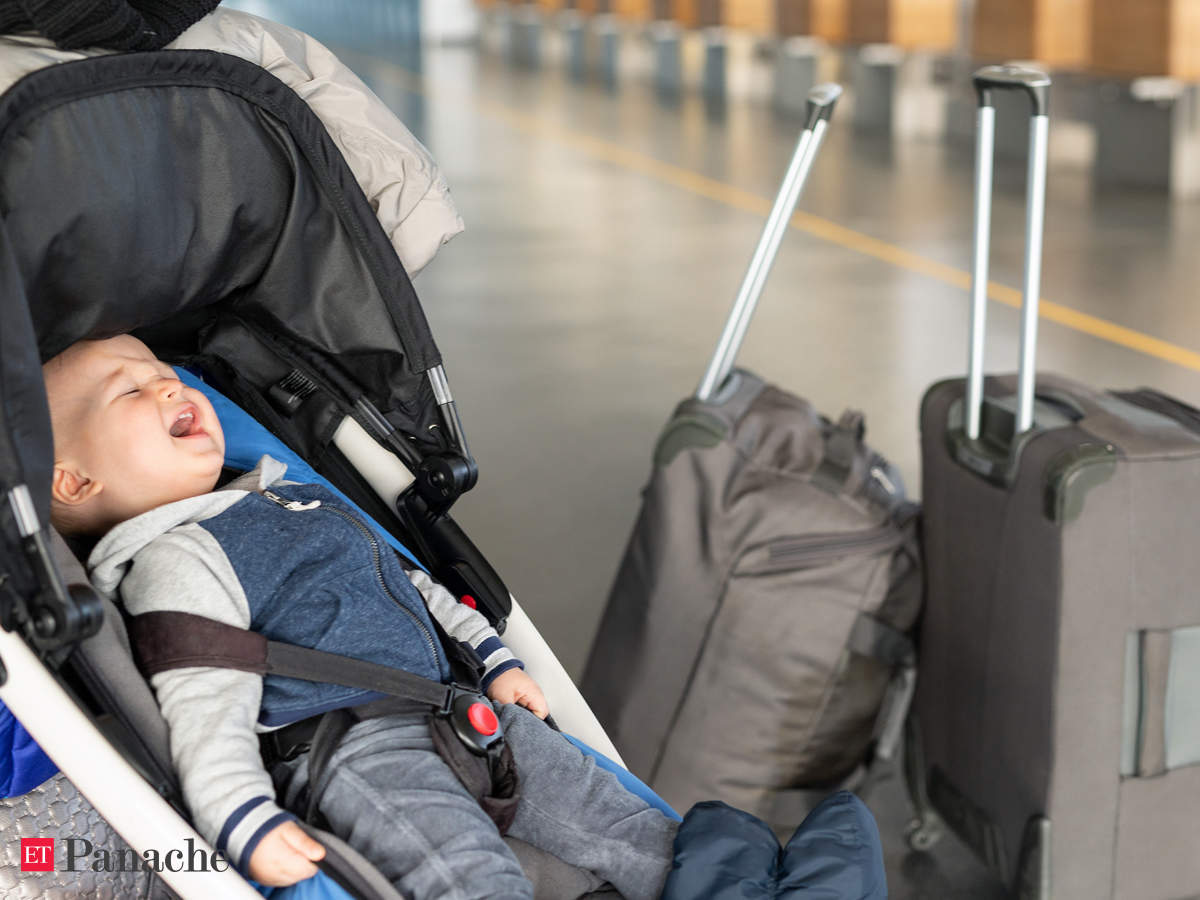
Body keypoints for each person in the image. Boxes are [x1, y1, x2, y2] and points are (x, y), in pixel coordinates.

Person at [43, 334, 678, 899]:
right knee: (466, 877)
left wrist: (491, 654)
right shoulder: (176, 557)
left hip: (464, 712)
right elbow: (207, 703)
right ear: (73, 483)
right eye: (128, 389)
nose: (164, 383)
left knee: (638, 836)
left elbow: (409, 584)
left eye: (167, 373)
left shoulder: (291, 496)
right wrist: (240, 815)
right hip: (359, 753)